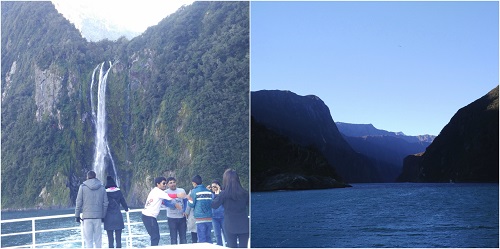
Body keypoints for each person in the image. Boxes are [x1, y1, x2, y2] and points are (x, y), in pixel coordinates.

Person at [142, 176, 186, 246]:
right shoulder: (158, 191)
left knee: (155, 236)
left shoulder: (155, 191)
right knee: (155, 237)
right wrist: (178, 195)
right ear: (158, 184)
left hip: (148, 216)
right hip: (149, 216)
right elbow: (168, 196)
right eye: (163, 183)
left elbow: (165, 201)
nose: (165, 185)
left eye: (165, 183)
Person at [212, 169, 249, 248]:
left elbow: (214, 205)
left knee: (231, 246)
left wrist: (217, 194)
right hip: (244, 225)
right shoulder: (245, 193)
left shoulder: (223, 194)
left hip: (230, 225)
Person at [75, 170, 109, 248]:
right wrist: (103, 216)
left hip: (86, 217)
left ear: (87, 177)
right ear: (95, 176)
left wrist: (77, 215)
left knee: (88, 241)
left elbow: (79, 202)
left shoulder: (82, 187)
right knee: (98, 240)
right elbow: (106, 203)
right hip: (98, 217)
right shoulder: (102, 187)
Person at [103, 176, 129, 248]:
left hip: (108, 218)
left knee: (110, 240)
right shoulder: (118, 191)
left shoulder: (105, 193)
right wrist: (126, 209)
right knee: (118, 239)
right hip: (118, 216)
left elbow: (103, 204)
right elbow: (123, 201)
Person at [187, 175, 213, 243]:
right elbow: (212, 203)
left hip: (200, 218)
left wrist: (189, 198)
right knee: (209, 237)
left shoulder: (194, 191)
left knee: (201, 238)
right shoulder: (208, 191)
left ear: (194, 183)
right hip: (209, 217)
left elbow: (191, 204)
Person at [164, 177, 188, 244]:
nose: (173, 184)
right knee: (173, 238)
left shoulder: (182, 190)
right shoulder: (165, 192)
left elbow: (185, 201)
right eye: (170, 183)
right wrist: (174, 205)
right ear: (168, 185)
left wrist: (185, 211)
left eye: (174, 182)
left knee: (183, 238)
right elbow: (165, 203)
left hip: (182, 217)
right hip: (171, 218)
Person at [211, 180, 225, 246]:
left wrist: (219, 192)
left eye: (215, 186)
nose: (213, 188)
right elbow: (213, 204)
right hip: (214, 218)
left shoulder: (223, 194)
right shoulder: (211, 195)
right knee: (217, 235)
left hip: (223, 217)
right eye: (212, 187)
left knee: (226, 234)